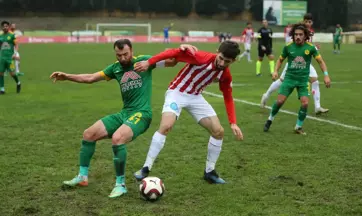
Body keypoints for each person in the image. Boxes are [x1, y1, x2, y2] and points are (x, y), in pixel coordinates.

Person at [50, 39, 196, 198]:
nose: (122, 58)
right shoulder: (115, 68)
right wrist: (67, 76)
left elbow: (171, 62)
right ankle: (82, 177)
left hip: (142, 114)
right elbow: (90, 78)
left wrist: (182, 49)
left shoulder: (144, 62)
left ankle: (120, 184)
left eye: (125, 54)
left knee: (118, 138)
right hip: (124, 113)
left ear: (132, 51)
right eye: (119, 55)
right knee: (88, 134)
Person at [133, 40, 244, 184]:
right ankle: (145, 168)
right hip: (177, 92)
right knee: (166, 126)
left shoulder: (225, 75)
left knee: (218, 132)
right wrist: (149, 62)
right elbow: (173, 53)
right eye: (221, 58)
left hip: (196, 97)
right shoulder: (200, 57)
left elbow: (228, 97)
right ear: (217, 51)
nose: (222, 63)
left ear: (233, 61)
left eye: (227, 61)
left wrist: (233, 122)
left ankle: (210, 172)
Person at [263, 23, 331, 135]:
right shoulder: (288, 47)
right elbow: (280, 60)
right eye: (295, 35)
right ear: (293, 36)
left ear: (305, 36)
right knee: (280, 101)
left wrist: (326, 75)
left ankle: (298, 127)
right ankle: (270, 119)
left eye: (300, 35)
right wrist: (275, 71)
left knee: (305, 103)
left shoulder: (310, 48)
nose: (298, 37)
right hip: (289, 79)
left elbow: (320, 61)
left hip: (303, 81)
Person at [0, 20, 20, 94]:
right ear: (2, 27)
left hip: (9, 58)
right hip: (2, 57)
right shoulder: (0, 36)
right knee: (1, 73)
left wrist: (15, 53)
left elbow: (17, 44)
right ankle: (2, 89)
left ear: (8, 27)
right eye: (3, 26)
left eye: (6, 26)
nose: (5, 27)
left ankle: (18, 83)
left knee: (12, 74)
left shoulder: (12, 35)